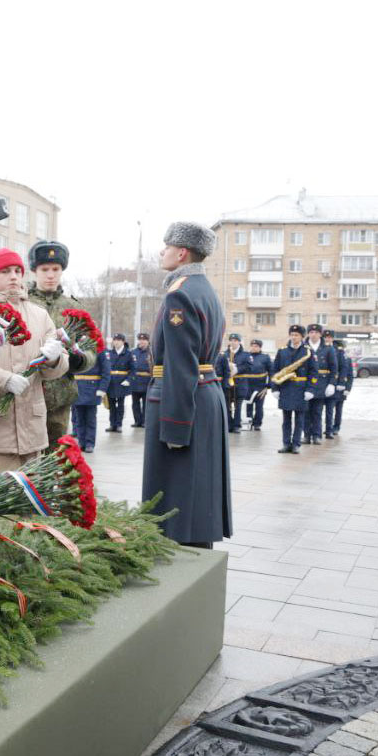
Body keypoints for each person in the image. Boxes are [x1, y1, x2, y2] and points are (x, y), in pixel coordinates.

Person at [141, 222, 232, 548]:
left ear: (181, 253)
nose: (161, 252)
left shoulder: (180, 294)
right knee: (197, 494)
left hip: (182, 401)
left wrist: (176, 427)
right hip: (205, 395)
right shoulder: (203, 289)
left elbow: (181, 365)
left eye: (166, 247)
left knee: (175, 500)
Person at [0, 248, 69, 475]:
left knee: (30, 507)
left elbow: (56, 369)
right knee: (1, 509)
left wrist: (55, 359)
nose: (14, 276)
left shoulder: (38, 315)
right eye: (5, 271)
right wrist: (4, 380)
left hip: (34, 434)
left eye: (18, 270)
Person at [26, 239, 97, 448]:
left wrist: (80, 359)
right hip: (28, 392)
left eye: (55, 269)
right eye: (44, 269)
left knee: (55, 458)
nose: (50, 275)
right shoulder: (23, 303)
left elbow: (91, 347)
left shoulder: (74, 307)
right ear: (34, 271)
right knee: (27, 458)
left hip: (60, 396)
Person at [271, 325, 315, 453]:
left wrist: (310, 389)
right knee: (286, 419)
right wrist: (275, 388)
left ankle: (296, 444)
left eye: (297, 335)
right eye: (292, 335)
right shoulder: (282, 351)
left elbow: (313, 371)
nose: (294, 337)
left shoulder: (308, 351)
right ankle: (286, 443)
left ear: (302, 337)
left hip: (301, 389)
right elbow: (275, 369)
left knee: (299, 419)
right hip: (285, 387)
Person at [302, 323, 336, 445]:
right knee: (305, 411)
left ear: (320, 334)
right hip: (306, 383)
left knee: (317, 411)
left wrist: (331, 384)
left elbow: (334, 367)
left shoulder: (328, 348)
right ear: (308, 333)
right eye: (311, 332)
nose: (313, 334)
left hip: (322, 383)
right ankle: (306, 435)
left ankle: (316, 435)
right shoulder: (303, 346)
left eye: (316, 332)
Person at [71, 352, 108, 452]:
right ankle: (81, 442)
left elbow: (106, 371)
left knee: (90, 419)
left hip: (93, 388)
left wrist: (102, 388)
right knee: (79, 419)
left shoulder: (99, 351)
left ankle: (90, 443)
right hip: (78, 387)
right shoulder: (76, 348)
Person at [215, 333, 249, 433]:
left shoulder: (245, 355)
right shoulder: (224, 354)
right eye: (231, 340)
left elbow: (249, 367)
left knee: (238, 407)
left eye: (235, 340)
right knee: (227, 405)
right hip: (227, 384)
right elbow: (218, 367)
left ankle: (237, 425)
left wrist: (237, 369)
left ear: (239, 342)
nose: (233, 342)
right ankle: (229, 425)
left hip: (240, 383)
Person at [239, 338, 273, 431]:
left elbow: (271, 372)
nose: (254, 348)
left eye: (256, 346)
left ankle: (257, 424)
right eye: (252, 346)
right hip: (247, 385)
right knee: (248, 405)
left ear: (260, 347)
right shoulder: (246, 356)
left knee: (259, 406)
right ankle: (249, 422)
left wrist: (268, 386)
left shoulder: (265, 357)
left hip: (260, 386)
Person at [103, 333, 133, 432]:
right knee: (111, 405)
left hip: (122, 382)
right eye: (115, 340)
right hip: (111, 382)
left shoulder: (128, 354)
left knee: (120, 405)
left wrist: (128, 380)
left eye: (118, 340)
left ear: (123, 341)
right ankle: (112, 424)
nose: (116, 342)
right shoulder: (109, 353)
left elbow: (133, 369)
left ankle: (119, 424)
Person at [129, 332, 152, 427]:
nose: (142, 341)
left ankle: (144, 421)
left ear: (148, 341)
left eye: (144, 340)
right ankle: (137, 421)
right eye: (140, 340)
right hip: (135, 380)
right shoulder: (133, 352)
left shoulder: (151, 352)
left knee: (146, 404)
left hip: (147, 380)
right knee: (135, 404)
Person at [333, 338, 353, 435]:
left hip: (341, 389)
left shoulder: (348, 359)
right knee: (328, 410)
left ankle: (336, 427)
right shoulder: (332, 357)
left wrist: (348, 389)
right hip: (332, 387)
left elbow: (350, 376)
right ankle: (329, 427)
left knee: (338, 409)